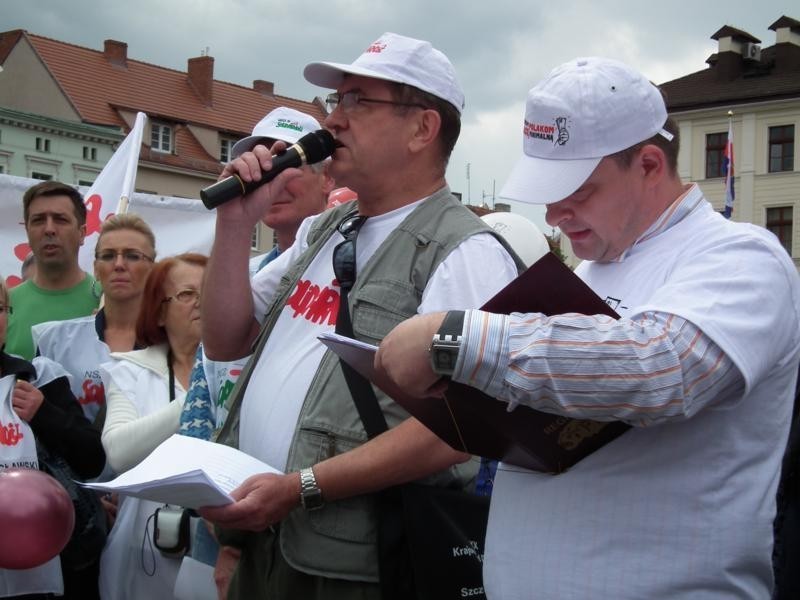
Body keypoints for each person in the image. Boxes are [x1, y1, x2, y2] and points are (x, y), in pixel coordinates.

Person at [374, 57, 800, 599]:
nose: (554, 213)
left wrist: (460, 339)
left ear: (648, 165)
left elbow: (662, 367)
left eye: (579, 190)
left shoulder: (741, 256)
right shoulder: (595, 266)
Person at [199, 32, 523, 599]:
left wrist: (299, 487)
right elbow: (225, 340)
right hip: (272, 537)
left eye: (357, 102)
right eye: (335, 102)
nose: (333, 120)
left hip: (356, 562)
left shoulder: (465, 250)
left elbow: (457, 434)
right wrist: (234, 221)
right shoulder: (326, 229)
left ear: (423, 129)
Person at [98, 253, 207, 600]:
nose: (202, 303)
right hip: (145, 548)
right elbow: (119, 452)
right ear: (159, 312)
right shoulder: (131, 372)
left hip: (223, 546)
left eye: (211, 291)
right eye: (188, 294)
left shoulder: (245, 366)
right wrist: (196, 399)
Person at [0, 275, 106, 599]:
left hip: (41, 573)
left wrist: (45, 412)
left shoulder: (35, 379)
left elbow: (93, 459)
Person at [33, 214, 157, 423]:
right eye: (108, 256)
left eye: (133, 256)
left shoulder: (171, 342)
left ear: (153, 268)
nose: (119, 264)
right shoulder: (54, 340)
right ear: (95, 268)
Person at [233, 107, 334, 276]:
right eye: (261, 169)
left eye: (286, 165)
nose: (274, 183)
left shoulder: (354, 266)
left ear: (326, 177)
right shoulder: (247, 276)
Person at [6, 181, 99, 360]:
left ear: (82, 233)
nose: (49, 229)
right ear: (27, 231)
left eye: (60, 219)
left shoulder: (107, 300)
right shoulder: (6, 306)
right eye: (38, 220)